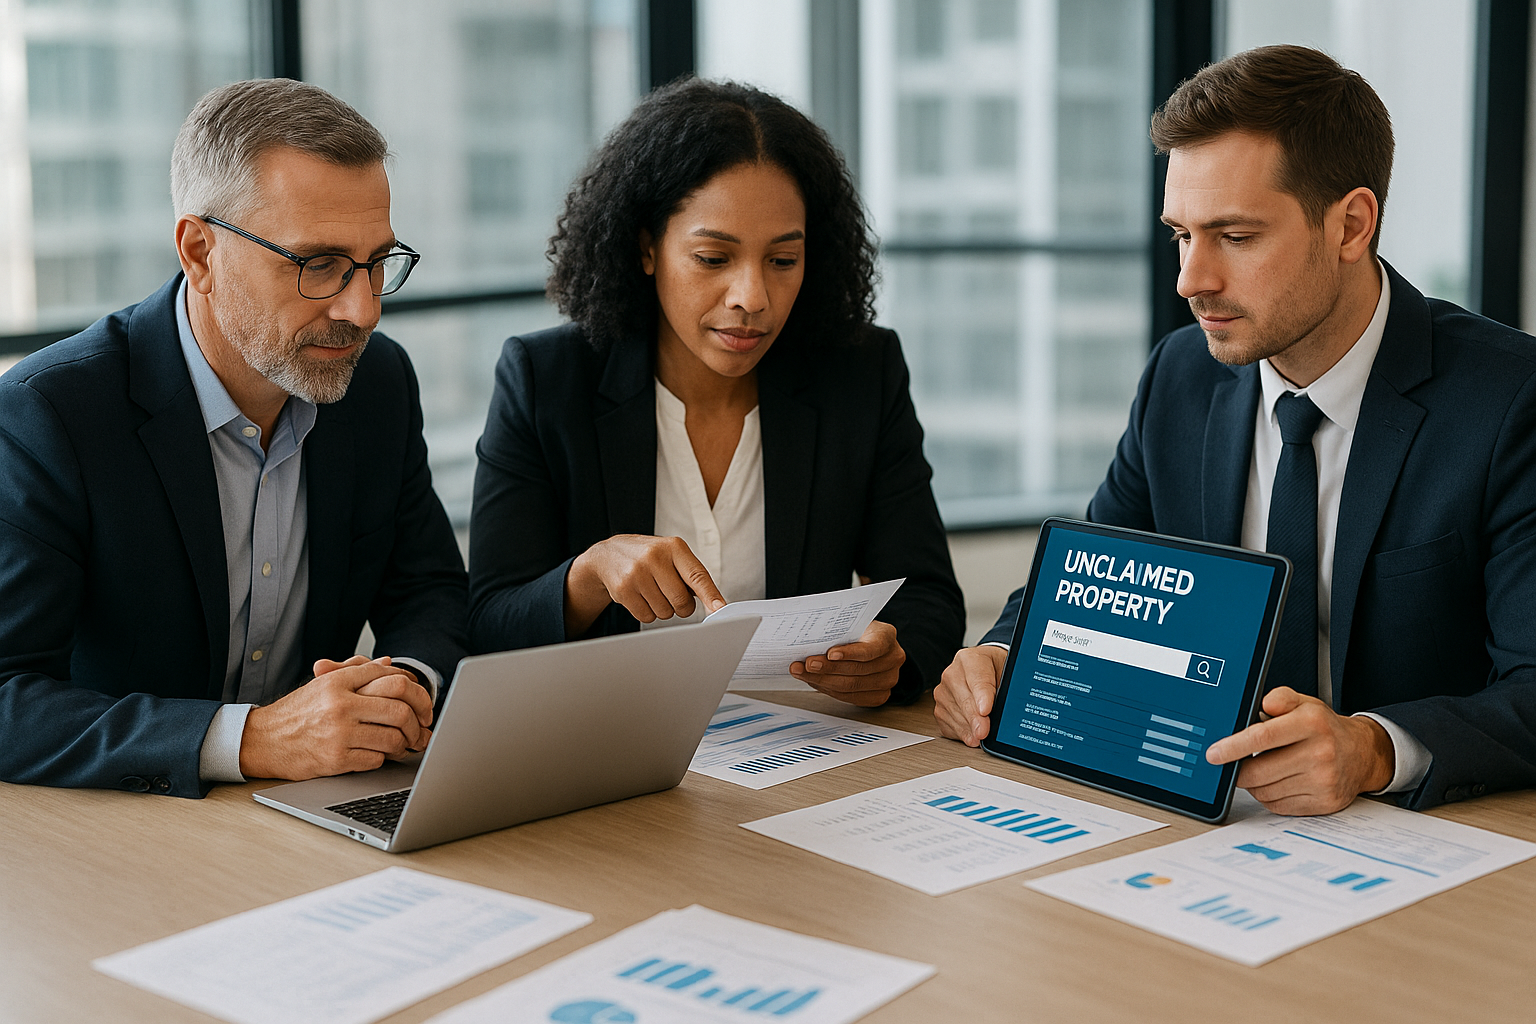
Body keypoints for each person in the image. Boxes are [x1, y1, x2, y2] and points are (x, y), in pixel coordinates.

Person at [935, 45, 1536, 814]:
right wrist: (996, 655)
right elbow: (1088, 577)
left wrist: (1374, 749)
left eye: (1237, 237)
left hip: (1425, 842)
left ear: (1351, 225)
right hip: (1206, 825)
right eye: (1181, 234)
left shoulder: (1511, 401)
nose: (1191, 280)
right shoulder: (1180, 377)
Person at [0, 80, 468, 797]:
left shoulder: (376, 385)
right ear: (199, 253)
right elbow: (7, 697)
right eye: (319, 265)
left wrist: (403, 684)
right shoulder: (50, 413)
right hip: (128, 827)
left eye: (378, 262)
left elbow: (428, 590)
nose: (363, 309)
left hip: (316, 806)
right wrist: (251, 739)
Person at [468, 78, 964, 706]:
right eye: (712, 259)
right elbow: (488, 626)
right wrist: (589, 575)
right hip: (613, 755)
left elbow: (930, 598)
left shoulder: (861, 375)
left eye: (783, 261)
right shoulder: (545, 380)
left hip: (800, 748)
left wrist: (891, 655)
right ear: (648, 247)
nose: (751, 298)